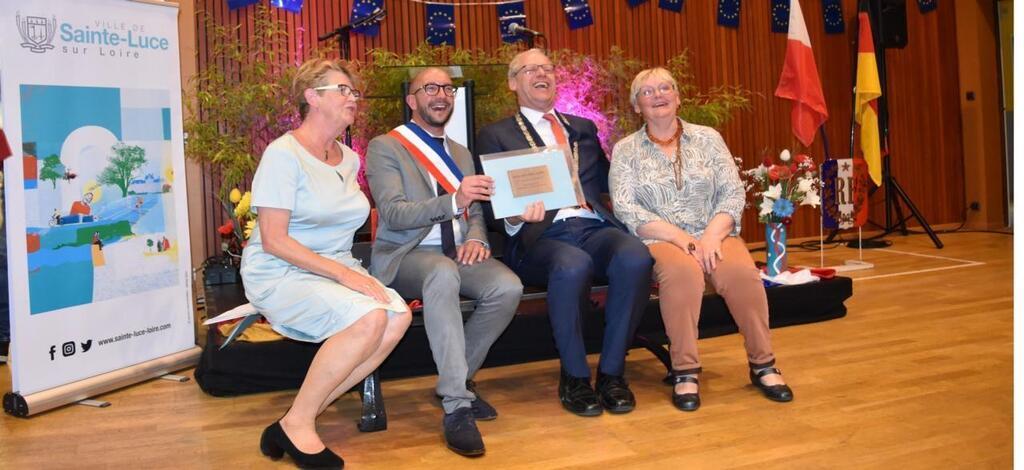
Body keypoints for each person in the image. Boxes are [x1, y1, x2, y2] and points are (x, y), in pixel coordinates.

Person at [241, 58, 412, 469]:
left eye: (354, 92)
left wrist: (346, 272)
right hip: (280, 269)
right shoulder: (283, 155)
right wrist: (346, 276)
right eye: (343, 90)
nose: (353, 98)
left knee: (397, 318)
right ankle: (299, 424)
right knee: (370, 319)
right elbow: (274, 239)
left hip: (335, 266)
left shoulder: (349, 158)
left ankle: (295, 419)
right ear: (312, 97)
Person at [475, 49, 653, 417]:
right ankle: (574, 377)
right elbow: (491, 206)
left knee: (636, 255)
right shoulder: (495, 135)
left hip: (592, 225)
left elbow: (612, 181)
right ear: (513, 83)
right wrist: (515, 219)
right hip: (540, 237)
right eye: (530, 69)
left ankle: (611, 374)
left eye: (548, 68)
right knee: (573, 265)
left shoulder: (582, 128)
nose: (542, 74)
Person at [609, 68, 794, 412]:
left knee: (741, 275)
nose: (658, 95)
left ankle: (763, 363)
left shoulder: (708, 138)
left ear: (678, 97)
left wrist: (710, 235)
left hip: (715, 232)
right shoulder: (625, 150)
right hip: (660, 237)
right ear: (637, 106)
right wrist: (682, 239)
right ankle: (685, 370)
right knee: (683, 275)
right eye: (647, 92)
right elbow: (626, 207)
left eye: (665, 88)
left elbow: (731, 192)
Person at [365, 67, 523, 457]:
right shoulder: (386, 146)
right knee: (441, 272)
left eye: (447, 89)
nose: (441, 96)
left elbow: (475, 214)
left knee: (507, 287)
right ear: (411, 100)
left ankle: (456, 379)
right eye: (430, 88)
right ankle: (456, 405)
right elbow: (395, 213)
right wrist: (455, 199)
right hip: (406, 256)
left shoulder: (461, 152)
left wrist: (475, 237)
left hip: (455, 253)